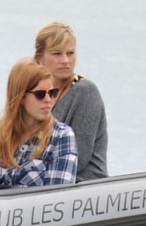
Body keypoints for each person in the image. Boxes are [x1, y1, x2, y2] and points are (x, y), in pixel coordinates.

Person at [0, 59, 78, 189]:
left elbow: (59, 195)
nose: (48, 100)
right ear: (21, 97)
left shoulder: (62, 136)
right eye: (40, 94)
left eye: (52, 93)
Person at [34, 22, 108, 181]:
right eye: (57, 53)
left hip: (84, 185)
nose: (65, 60)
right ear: (39, 58)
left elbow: (78, 159)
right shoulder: (34, 94)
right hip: (40, 183)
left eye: (70, 53)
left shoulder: (85, 91)